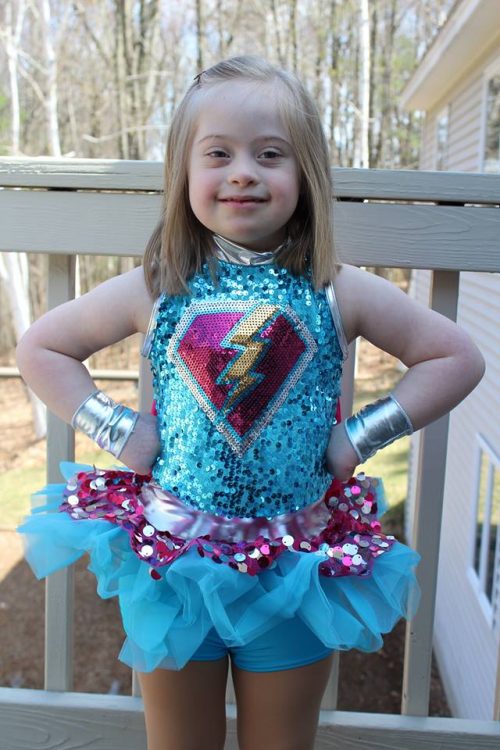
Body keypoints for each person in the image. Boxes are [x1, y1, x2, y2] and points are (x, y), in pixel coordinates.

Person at [16, 55, 485, 750]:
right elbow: (42, 348)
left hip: (294, 573)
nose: (242, 172)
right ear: (184, 174)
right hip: (174, 564)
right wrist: (119, 430)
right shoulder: (158, 287)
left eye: (270, 154)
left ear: (307, 177)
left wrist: (356, 438)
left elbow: (457, 358)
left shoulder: (338, 289)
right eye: (218, 154)